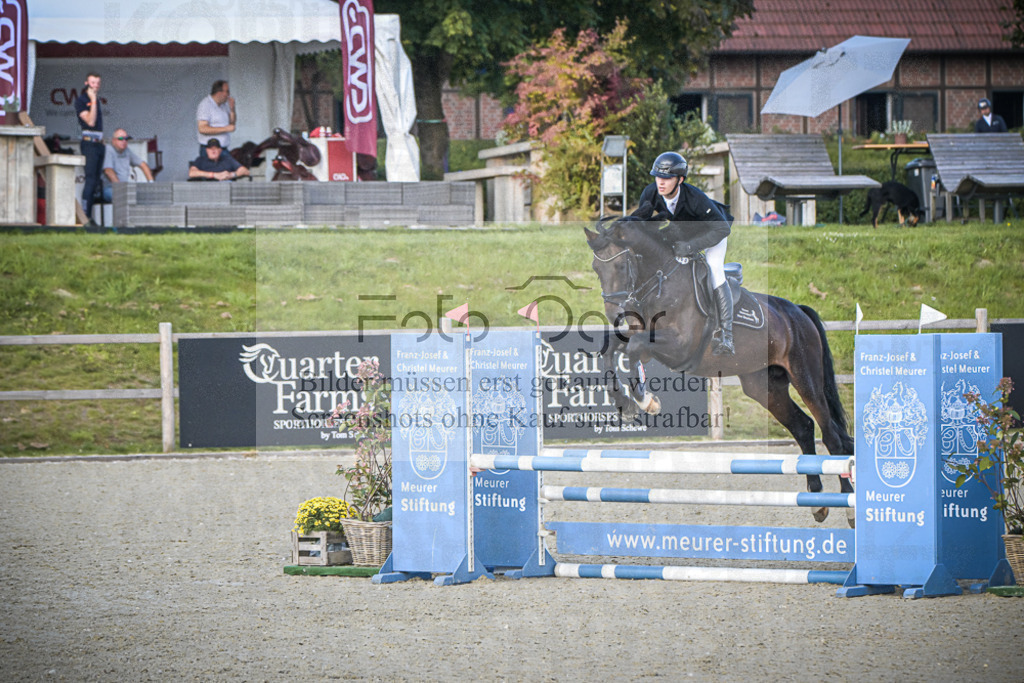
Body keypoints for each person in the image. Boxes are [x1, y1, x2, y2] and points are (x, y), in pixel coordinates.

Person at [631, 151, 735, 355]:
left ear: (680, 180)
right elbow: (639, 222)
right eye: (658, 177)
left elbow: (722, 229)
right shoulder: (651, 193)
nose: (660, 182)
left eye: (667, 178)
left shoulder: (696, 198)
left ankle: (727, 336)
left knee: (715, 269)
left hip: (712, 233)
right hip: (683, 233)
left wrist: (689, 247)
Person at [74, 72, 104, 220]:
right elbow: (90, 122)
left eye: (97, 83)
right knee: (90, 180)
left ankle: (91, 216)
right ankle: (85, 216)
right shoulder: (82, 100)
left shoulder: (96, 100)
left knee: (97, 181)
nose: (95, 86)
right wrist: (92, 100)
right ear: (86, 83)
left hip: (98, 143)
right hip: (89, 143)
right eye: (93, 83)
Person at [101, 128, 154, 201]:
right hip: (110, 189)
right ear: (113, 141)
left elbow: (143, 164)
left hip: (124, 188)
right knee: (125, 198)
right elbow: (108, 171)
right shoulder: (109, 149)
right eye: (120, 138)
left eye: (126, 139)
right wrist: (120, 189)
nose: (124, 141)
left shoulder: (127, 151)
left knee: (142, 196)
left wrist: (151, 183)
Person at [197, 80, 236, 153]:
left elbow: (232, 124)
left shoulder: (224, 105)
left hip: (223, 148)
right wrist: (225, 128)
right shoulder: (205, 105)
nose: (229, 95)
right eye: (227, 92)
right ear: (219, 93)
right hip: (210, 151)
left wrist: (232, 109)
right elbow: (202, 129)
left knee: (236, 164)